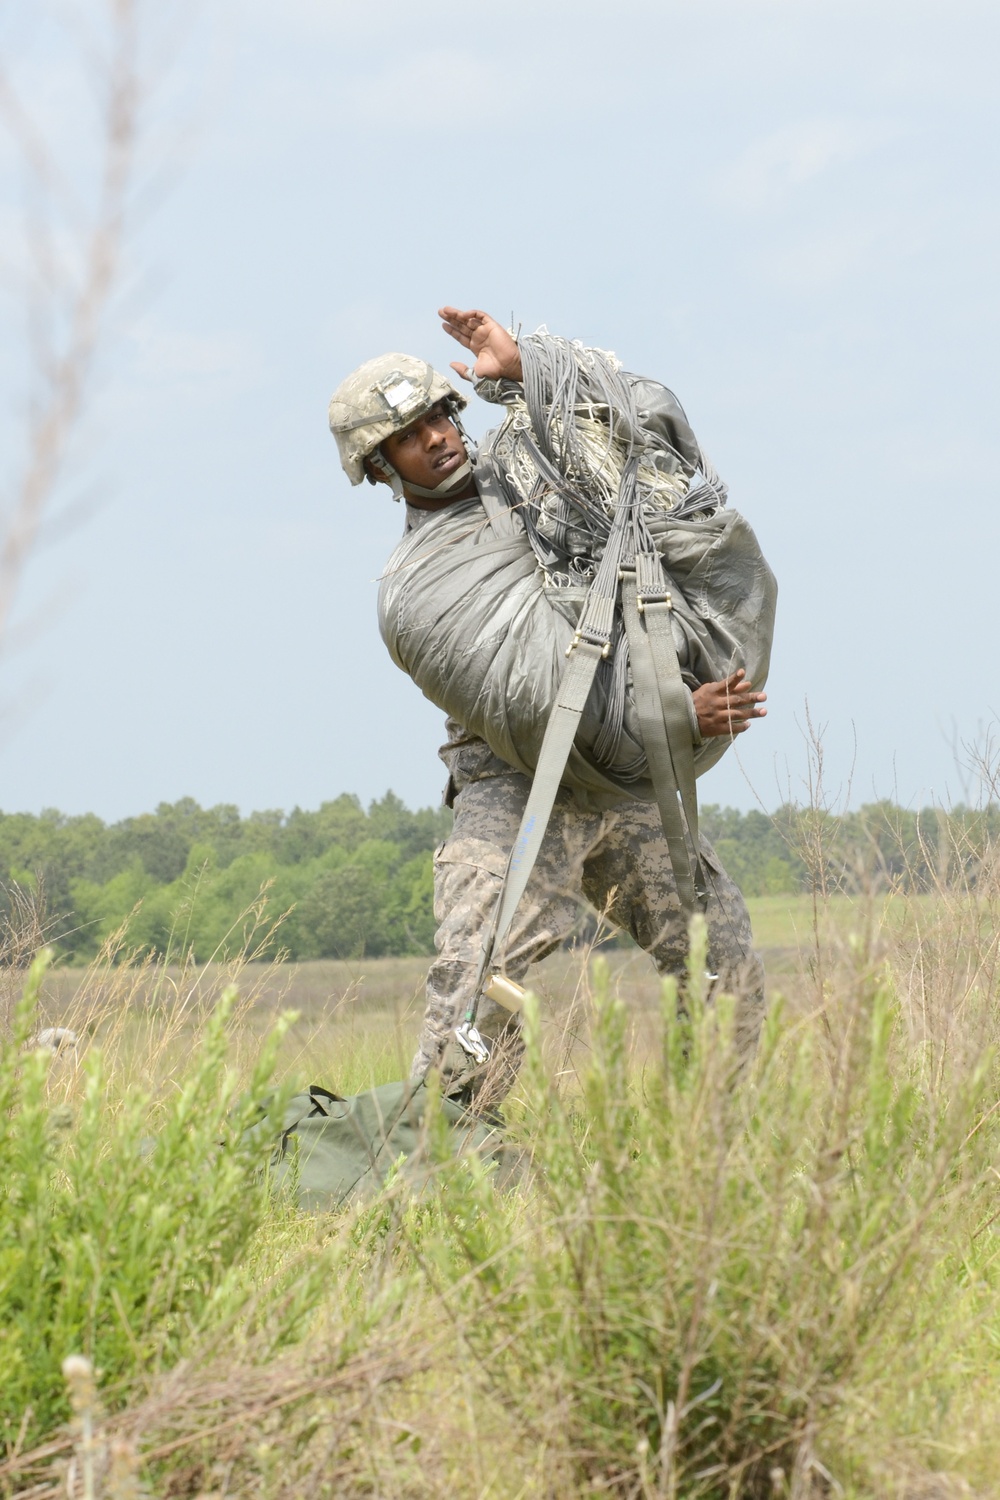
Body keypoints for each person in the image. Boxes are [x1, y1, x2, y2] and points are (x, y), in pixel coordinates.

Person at [329, 307, 769, 1100]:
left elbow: (653, 443)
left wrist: (527, 371)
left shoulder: (541, 464)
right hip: (517, 789)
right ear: (381, 467)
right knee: (478, 997)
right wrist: (672, 714)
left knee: (722, 961)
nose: (435, 437)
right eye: (408, 434)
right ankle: (436, 1181)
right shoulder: (420, 589)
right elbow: (538, 703)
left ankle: (706, 1163)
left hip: (629, 783)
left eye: (437, 415)